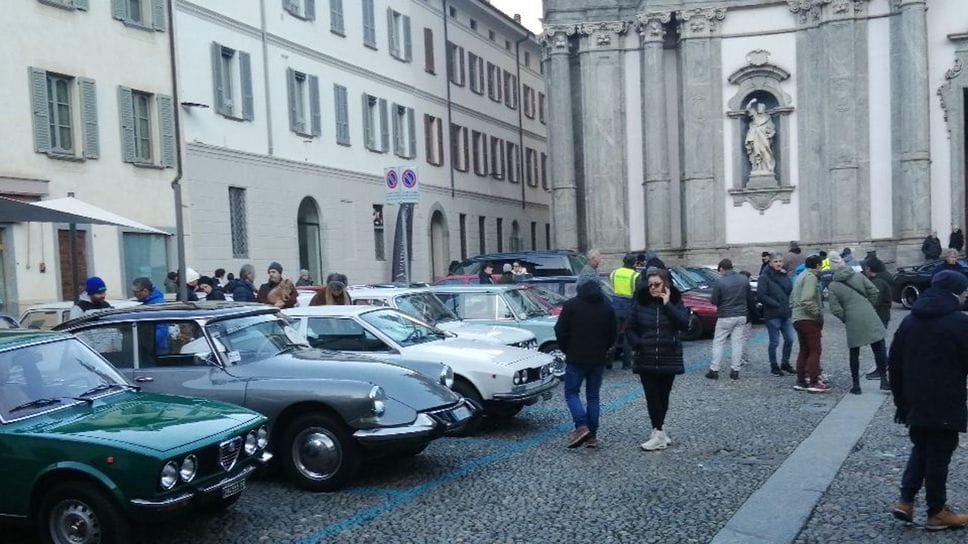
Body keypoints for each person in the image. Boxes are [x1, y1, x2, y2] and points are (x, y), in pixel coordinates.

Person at [889, 270, 968, 531]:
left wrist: (901, 402)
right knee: (939, 454)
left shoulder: (910, 320)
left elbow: (894, 362)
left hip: (914, 399)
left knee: (921, 448)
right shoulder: (958, 322)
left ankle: (906, 501)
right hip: (945, 399)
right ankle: (936, 511)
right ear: (955, 291)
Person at [627, 268, 691, 451]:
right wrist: (638, 343)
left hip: (668, 356)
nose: (653, 288)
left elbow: (684, 324)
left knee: (663, 396)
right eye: (650, 285)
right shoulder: (641, 303)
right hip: (646, 357)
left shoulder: (676, 302)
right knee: (652, 397)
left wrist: (667, 304)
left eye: (657, 284)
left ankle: (659, 430)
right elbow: (629, 328)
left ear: (666, 285)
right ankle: (658, 432)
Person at [554, 279, 617, 449]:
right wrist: (604, 348)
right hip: (598, 358)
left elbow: (559, 330)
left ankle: (581, 426)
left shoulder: (571, 305)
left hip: (576, 357)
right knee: (593, 397)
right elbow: (613, 333)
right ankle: (592, 436)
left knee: (571, 393)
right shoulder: (606, 307)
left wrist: (566, 348)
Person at [826, 252, 889, 394]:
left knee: (854, 352)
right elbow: (874, 291)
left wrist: (846, 318)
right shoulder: (858, 276)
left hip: (852, 318)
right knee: (878, 347)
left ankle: (856, 386)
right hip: (869, 314)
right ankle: (884, 381)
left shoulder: (833, 286)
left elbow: (835, 309)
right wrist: (869, 306)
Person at [706, 259, 750, 380]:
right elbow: (749, 296)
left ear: (721, 269)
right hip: (741, 315)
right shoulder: (743, 279)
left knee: (718, 342)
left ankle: (714, 369)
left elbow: (714, 300)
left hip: (725, 315)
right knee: (737, 343)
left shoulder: (720, 281)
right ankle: (735, 370)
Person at [791, 255, 828, 392]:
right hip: (808, 318)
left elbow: (793, 298)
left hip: (798, 317)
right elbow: (807, 300)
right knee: (815, 351)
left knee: (804, 350)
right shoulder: (811, 277)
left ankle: (801, 380)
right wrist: (817, 313)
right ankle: (814, 381)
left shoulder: (800, 276)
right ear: (818, 265)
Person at [757, 254, 796, 376]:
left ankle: (785, 363)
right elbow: (761, 295)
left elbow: (789, 290)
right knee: (774, 342)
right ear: (770, 263)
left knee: (789, 339)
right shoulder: (764, 277)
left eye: (780, 261)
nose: (779, 263)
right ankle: (774, 366)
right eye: (776, 261)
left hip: (785, 313)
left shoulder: (784, 275)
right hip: (772, 314)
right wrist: (775, 304)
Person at [864, 257, 895, 380]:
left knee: (878, 344)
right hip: (882, 314)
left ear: (869, 269)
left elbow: (874, 299)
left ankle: (881, 370)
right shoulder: (884, 277)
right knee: (879, 343)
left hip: (879, 315)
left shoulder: (878, 281)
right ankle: (884, 366)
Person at [610, 254, 640, 370]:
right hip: (629, 307)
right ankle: (627, 363)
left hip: (615, 306)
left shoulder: (614, 273)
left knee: (613, 335)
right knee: (627, 335)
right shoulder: (635, 275)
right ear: (634, 263)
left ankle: (609, 362)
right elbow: (638, 293)